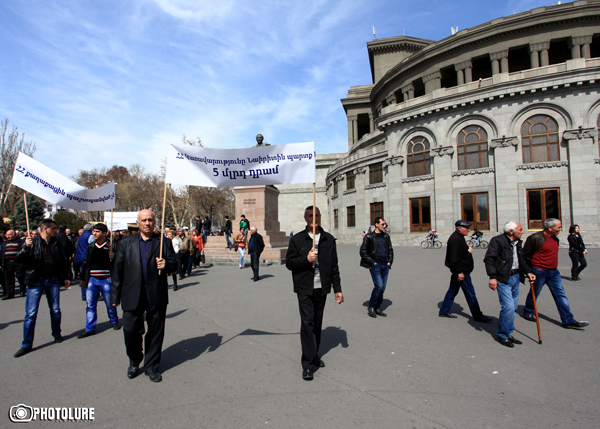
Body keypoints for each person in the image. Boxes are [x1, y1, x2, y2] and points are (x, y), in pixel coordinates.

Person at [111, 209, 177, 382]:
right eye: (144, 220)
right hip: (132, 293)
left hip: (156, 293)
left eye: (150, 220)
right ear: (138, 223)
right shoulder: (126, 242)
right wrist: (114, 296)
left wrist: (166, 264)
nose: (147, 223)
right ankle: (135, 360)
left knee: (155, 332)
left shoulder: (163, 242)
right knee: (130, 330)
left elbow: (175, 263)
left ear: (155, 222)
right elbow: (117, 270)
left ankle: (151, 366)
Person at [286, 206, 344, 380]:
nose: (314, 218)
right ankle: (308, 364)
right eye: (310, 215)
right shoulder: (297, 240)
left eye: (316, 215)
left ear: (320, 217)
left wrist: (338, 289)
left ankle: (314, 354)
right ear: (305, 218)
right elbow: (289, 263)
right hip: (304, 288)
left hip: (322, 288)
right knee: (307, 324)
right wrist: (306, 259)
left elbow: (334, 266)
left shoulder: (328, 239)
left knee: (317, 323)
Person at [14, 219, 70, 358]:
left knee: (55, 310)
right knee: (31, 314)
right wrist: (25, 247)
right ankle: (26, 344)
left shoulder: (56, 243)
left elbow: (63, 260)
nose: (56, 231)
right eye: (54, 228)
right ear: (45, 229)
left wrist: (66, 276)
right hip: (35, 282)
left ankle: (57, 334)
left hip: (52, 281)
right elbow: (19, 259)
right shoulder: (32, 242)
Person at [522, 218, 589, 329]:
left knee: (560, 295)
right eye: (558, 227)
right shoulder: (535, 238)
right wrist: (528, 271)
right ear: (550, 228)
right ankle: (528, 311)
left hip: (554, 272)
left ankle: (568, 320)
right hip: (539, 271)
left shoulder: (555, 239)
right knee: (535, 293)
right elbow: (526, 255)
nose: (561, 229)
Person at [484, 221, 535, 347]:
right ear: (511, 231)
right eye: (520, 229)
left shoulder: (518, 242)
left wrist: (528, 272)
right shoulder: (498, 241)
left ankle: (508, 332)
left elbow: (521, 259)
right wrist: (492, 277)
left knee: (513, 308)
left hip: (516, 277)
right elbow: (489, 259)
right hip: (503, 278)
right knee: (508, 307)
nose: (522, 232)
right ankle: (502, 334)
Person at [438, 220, 492, 322]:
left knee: (452, 290)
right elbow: (454, 258)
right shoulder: (456, 239)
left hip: (459, 270)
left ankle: (444, 310)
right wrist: (460, 272)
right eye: (466, 228)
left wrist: (467, 250)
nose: (469, 230)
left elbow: (460, 253)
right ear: (459, 228)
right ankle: (477, 315)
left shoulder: (459, 237)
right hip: (462, 271)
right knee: (470, 293)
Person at [77, 223, 120, 338]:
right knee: (90, 305)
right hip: (92, 279)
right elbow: (86, 262)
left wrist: (114, 257)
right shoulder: (91, 246)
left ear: (105, 233)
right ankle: (90, 327)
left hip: (106, 279)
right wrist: (83, 278)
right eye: (93, 231)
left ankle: (114, 321)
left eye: (97, 231)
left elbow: (121, 261)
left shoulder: (112, 245)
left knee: (110, 303)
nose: (94, 233)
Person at [360, 217, 393, 318]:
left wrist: (389, 262)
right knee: (379, 286)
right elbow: (363, 251)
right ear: (376, 224)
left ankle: (377, 308)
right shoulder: (369, 236)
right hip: (376, 265)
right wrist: (373, 263)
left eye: (385, 224)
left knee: (382, 288)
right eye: (382, 224)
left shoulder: (386, 236)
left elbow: (390, 250)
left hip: (385, 265)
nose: (385, 226)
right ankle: (371, 307)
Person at [1, 230, 25, 300]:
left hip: (18, 262)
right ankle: (10, 294)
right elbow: (2, 254)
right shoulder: (4, 243)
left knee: (20, 277)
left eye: (9, 235)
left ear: (14, 235)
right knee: (9, 279)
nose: (7, 236)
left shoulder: (20, 242)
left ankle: (22, 290)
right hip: (8, 263)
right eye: (7, 235)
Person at [75, 224, 94, 300]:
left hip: (80, 257)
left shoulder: (81, 236)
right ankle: (88, 294)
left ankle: (84, 294)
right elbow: (92, 246)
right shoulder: (90, 236)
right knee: (87, 276)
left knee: (82, 275)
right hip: (86, 257)